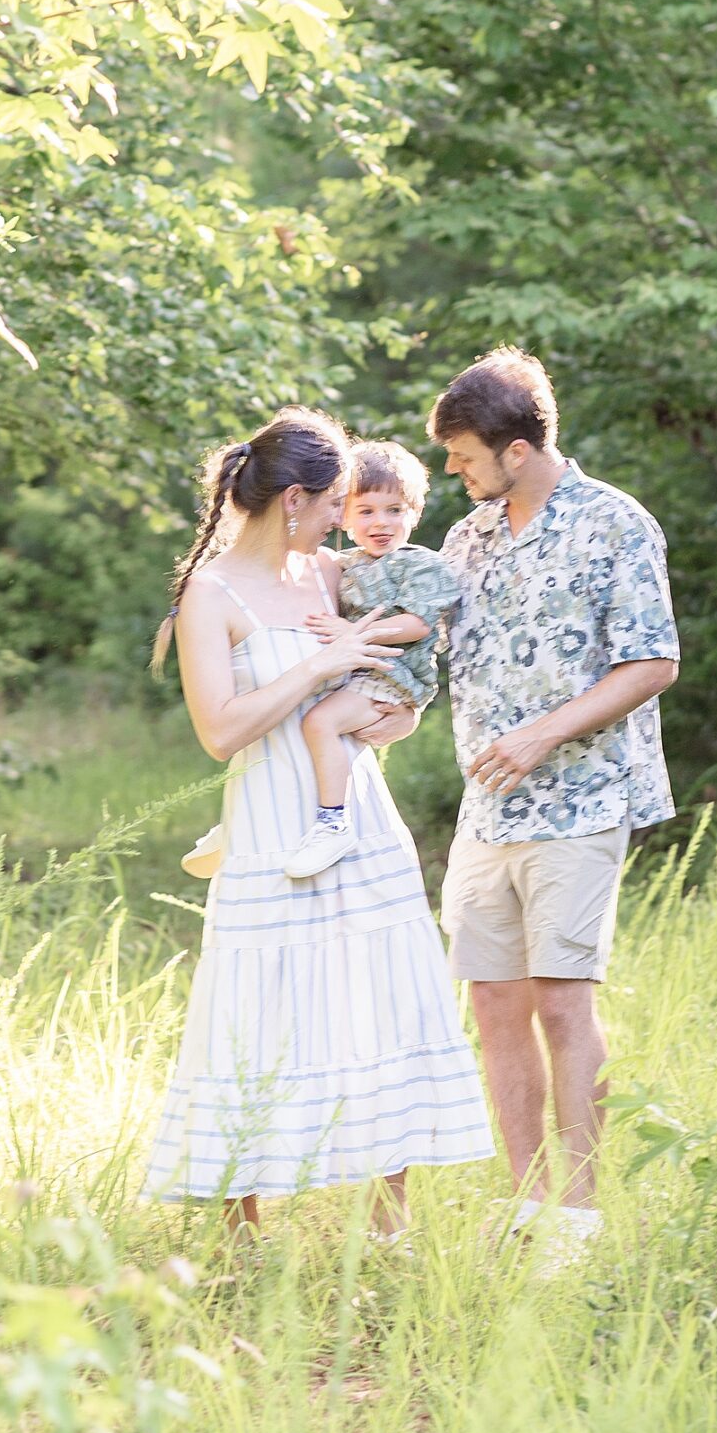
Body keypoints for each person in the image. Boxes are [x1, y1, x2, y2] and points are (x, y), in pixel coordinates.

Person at [144, 408, 494, 1230]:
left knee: (382, 997)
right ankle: (239, 1236)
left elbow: (400, 683)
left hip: (357, 818)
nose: (348, 515)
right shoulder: (211, 593)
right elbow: (220, 731)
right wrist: (322, 663)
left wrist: (390, 719)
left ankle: (388, 1227)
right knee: (255, 1010)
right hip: (269, 821)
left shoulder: (335, 573)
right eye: (336, 500)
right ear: (294, 499)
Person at [431, 349, 679, 1263]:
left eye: (463, 456)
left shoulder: (616, 523)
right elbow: (428, 656)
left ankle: (576, 1215)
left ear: (520, 446)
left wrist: (541, 734)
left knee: (560, 1001)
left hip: (581, 798)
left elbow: (653, 661)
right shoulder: (467, 539)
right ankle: (525, 1202)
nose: (454, 474)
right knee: (493, 1001)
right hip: (485, 809)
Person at [283, 438, 460, 880]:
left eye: (394, 510)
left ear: (414, 514)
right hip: (356, 672)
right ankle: (262, 820)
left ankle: (332, 823)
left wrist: (354, 635)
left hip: (390, 677)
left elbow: (417, 624)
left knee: (318, 723)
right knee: (291, 715)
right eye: (366, 511)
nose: (381, 523)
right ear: (342, 514)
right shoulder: (346, 563)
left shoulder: (419, 565)